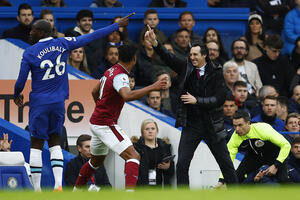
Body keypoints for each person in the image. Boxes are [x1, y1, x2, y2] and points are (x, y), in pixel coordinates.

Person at [13, 14, 133, 191]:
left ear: (41, 32)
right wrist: (116, 26)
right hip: (59, 102)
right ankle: (59, 184)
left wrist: (17, 93)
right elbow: (91, 36)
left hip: (40, 102)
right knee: (55, 140)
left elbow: (21, 81)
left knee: (36, 143)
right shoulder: (63, 43)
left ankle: (37, 190)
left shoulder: (30, 52)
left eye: (33, 30)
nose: (30, 33)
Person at [145, 25, 238, 186]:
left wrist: (197, 101)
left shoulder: (217, 72)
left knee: (226, 164)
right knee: (182, 164)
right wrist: (155, 43)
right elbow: (169, 58)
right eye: (191, 55)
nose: (192, 57)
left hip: (211, 126)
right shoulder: (186, 68)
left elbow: (220, 99)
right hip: (191, 125)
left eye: (195, 55)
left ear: (204, 56)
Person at [73, 43, 168, 191]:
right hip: (105, 124)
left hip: (97, 122)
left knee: (95, 162)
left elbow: (94, 91)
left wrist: (101, 108)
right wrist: (152, 87)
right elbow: (127, 95)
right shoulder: (121, 75)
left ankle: (75, 191)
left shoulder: (111, 70)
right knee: (133, 156)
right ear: (134, 59)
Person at [219, 111, 291, 184]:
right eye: (235, 125)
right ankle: (234, 195)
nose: (237, 129)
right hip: (254, 155)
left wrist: (276, 165)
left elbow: (286, 145)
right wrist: (221, 180)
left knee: (283, 180)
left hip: (275, 155)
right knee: (236, 178)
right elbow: (227, 159)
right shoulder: (235, 136)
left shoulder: (263, 129)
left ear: (248, 123)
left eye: (240, 125)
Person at [132, 119, 175, 187]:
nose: (150, 131)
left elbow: (171, 171)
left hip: (159, 188)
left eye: (153, 128)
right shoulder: (136, 147)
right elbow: (130, 170)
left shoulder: (164, 146)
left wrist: (168, 167)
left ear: (157, 131)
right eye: (147, 129)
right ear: (142, 132)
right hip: (141, 188)